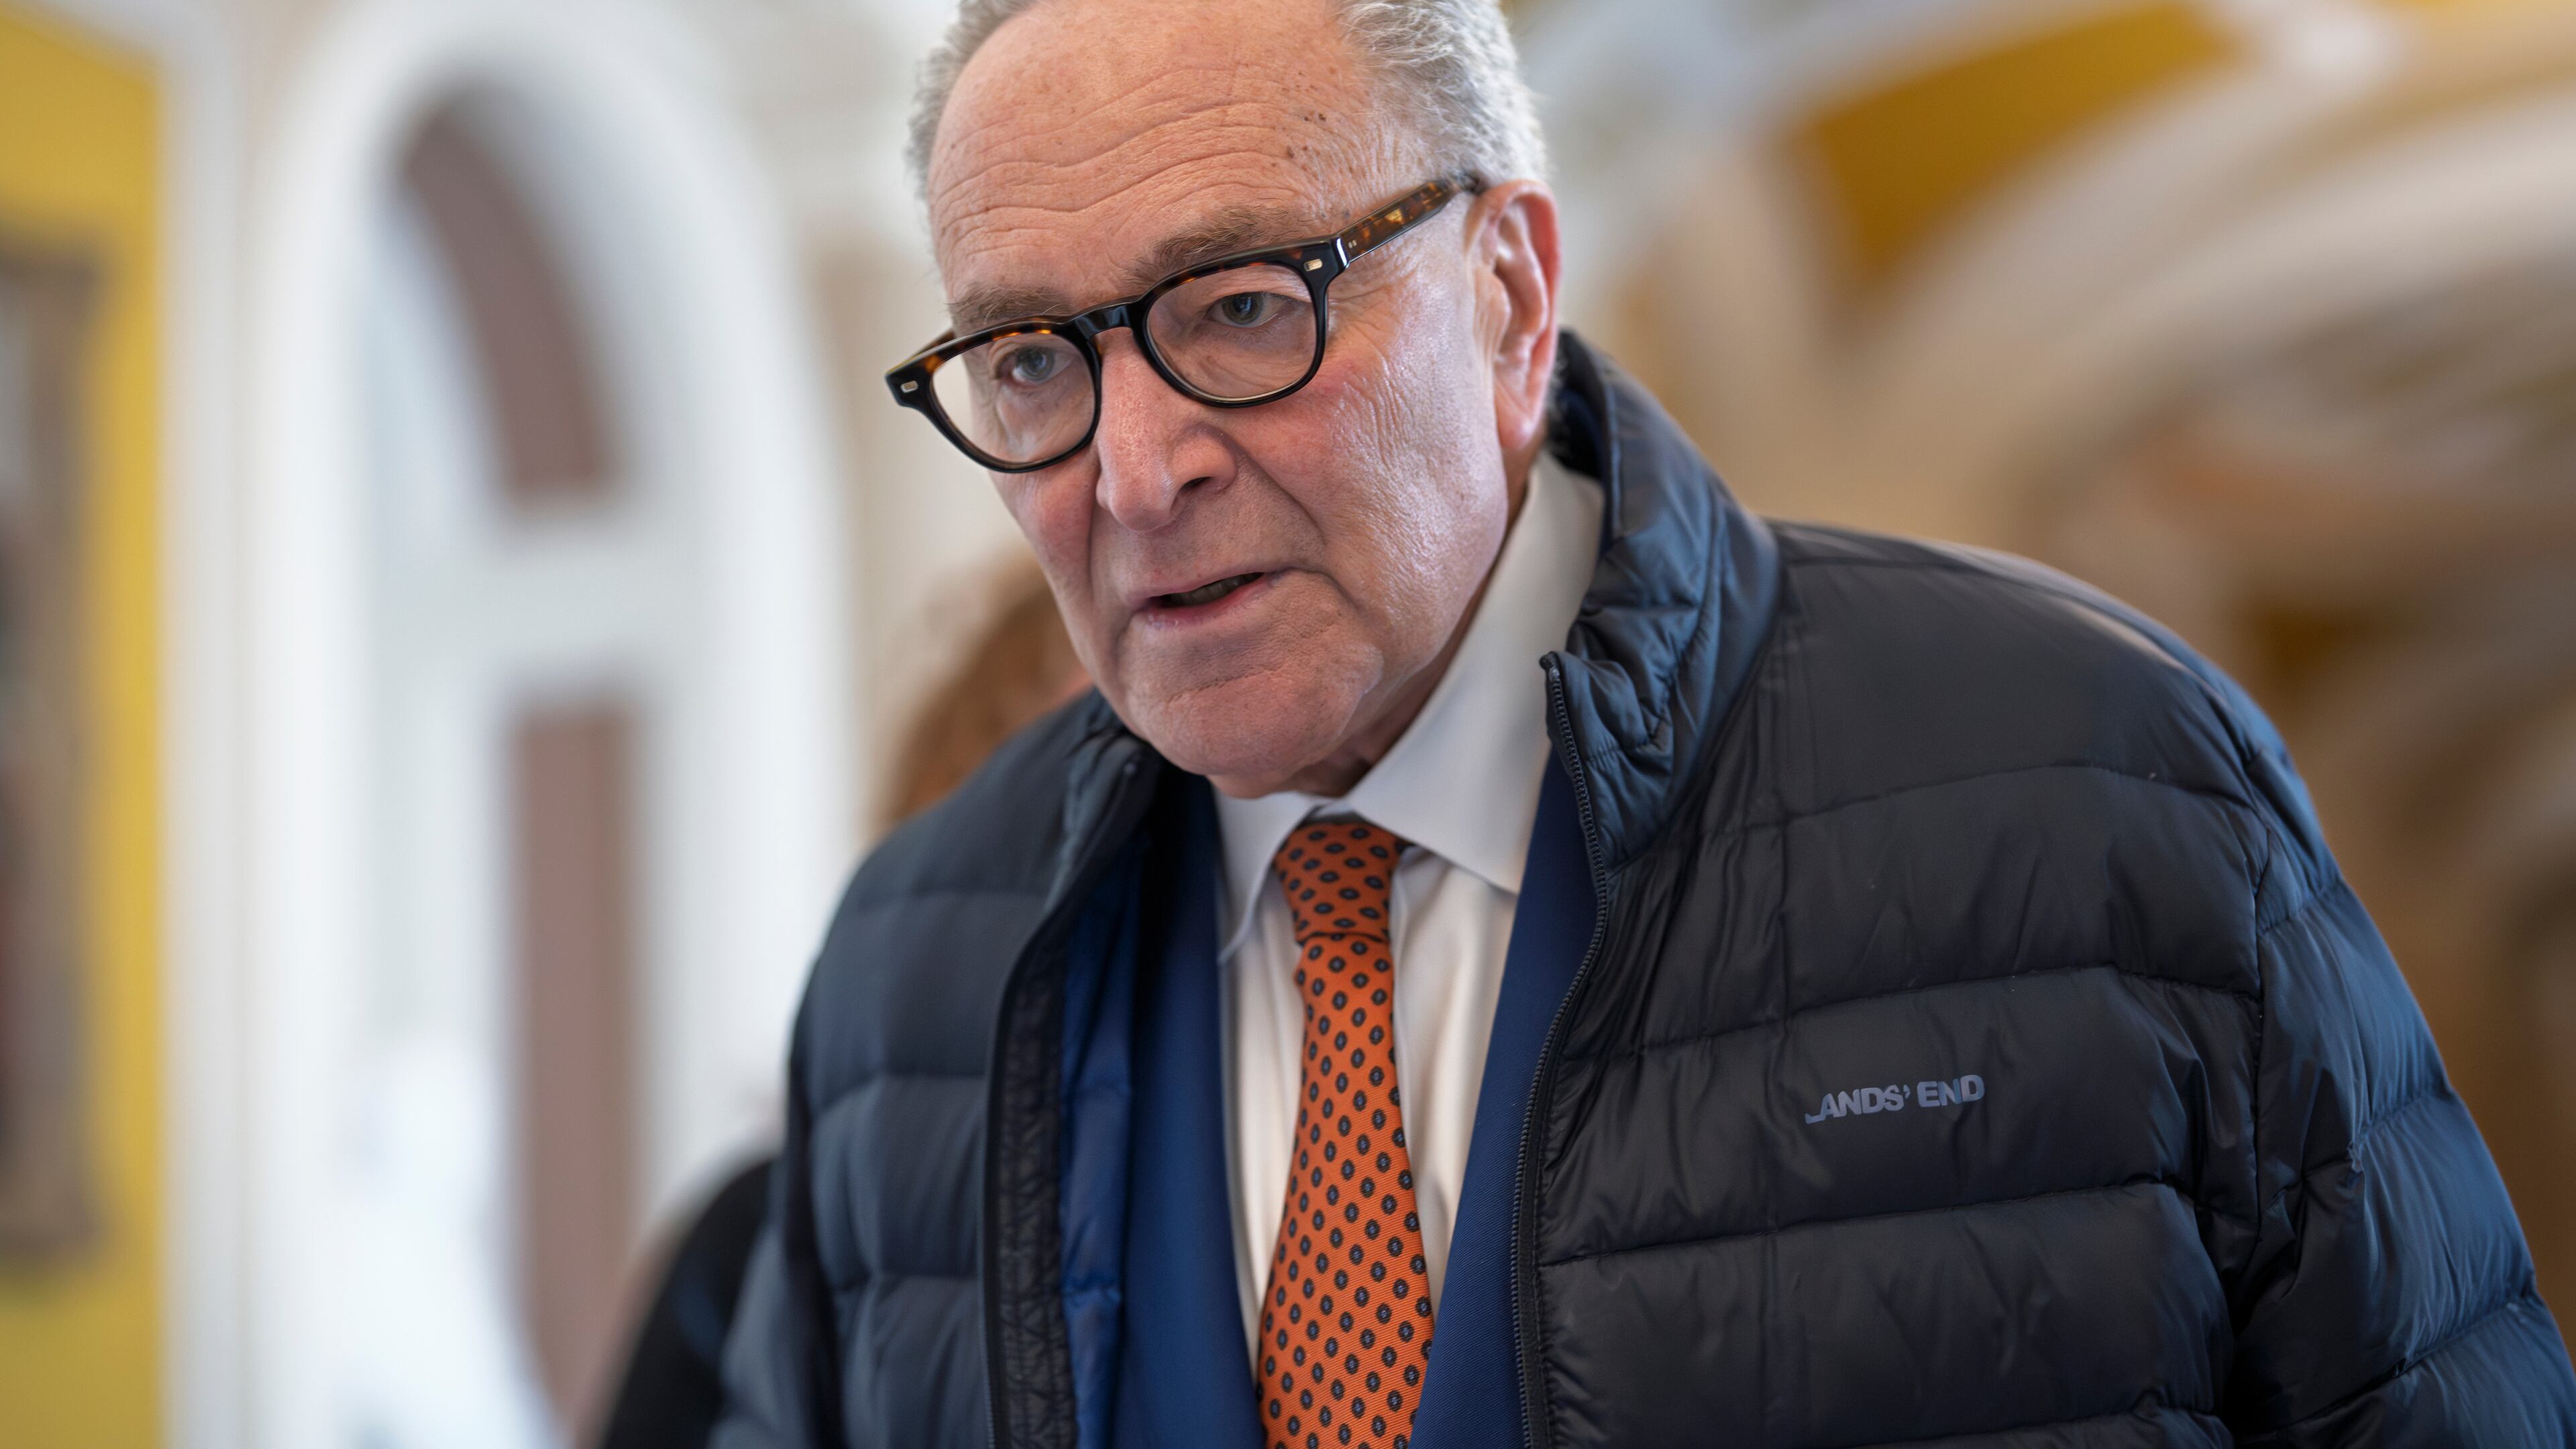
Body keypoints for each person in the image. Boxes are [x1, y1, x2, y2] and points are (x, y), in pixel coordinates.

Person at [715, 0, 2576, 1444]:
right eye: (1033, 361)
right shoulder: (913, 975)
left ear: (1510, 293)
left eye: (1238, 309)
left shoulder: (2100, 795)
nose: (1132, 471)